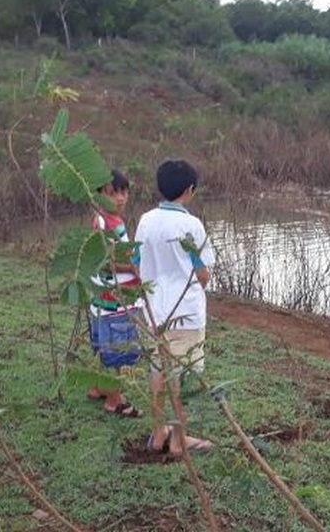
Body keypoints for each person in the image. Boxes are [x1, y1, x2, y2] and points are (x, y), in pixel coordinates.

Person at [134, 159, 215, 455]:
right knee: (183, 374)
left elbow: (136, 261)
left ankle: (158, 435)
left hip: (154, 310)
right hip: (186, 314)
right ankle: (180, 441)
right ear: (190, 190)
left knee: (158, 369)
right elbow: (202, 272)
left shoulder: (145, 220)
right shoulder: (191, 225)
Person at [87, 169, 143, 418]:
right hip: (115, 301)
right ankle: (115, 399)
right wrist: (135, 268)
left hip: (103, 301)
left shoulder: (106, 220)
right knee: (117, 352)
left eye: (123, 192)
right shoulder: (107, 223)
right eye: (112, 193)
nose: (120, 198)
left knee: (102, 346)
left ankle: (98, 387)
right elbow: (105, 261)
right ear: (99, 195)